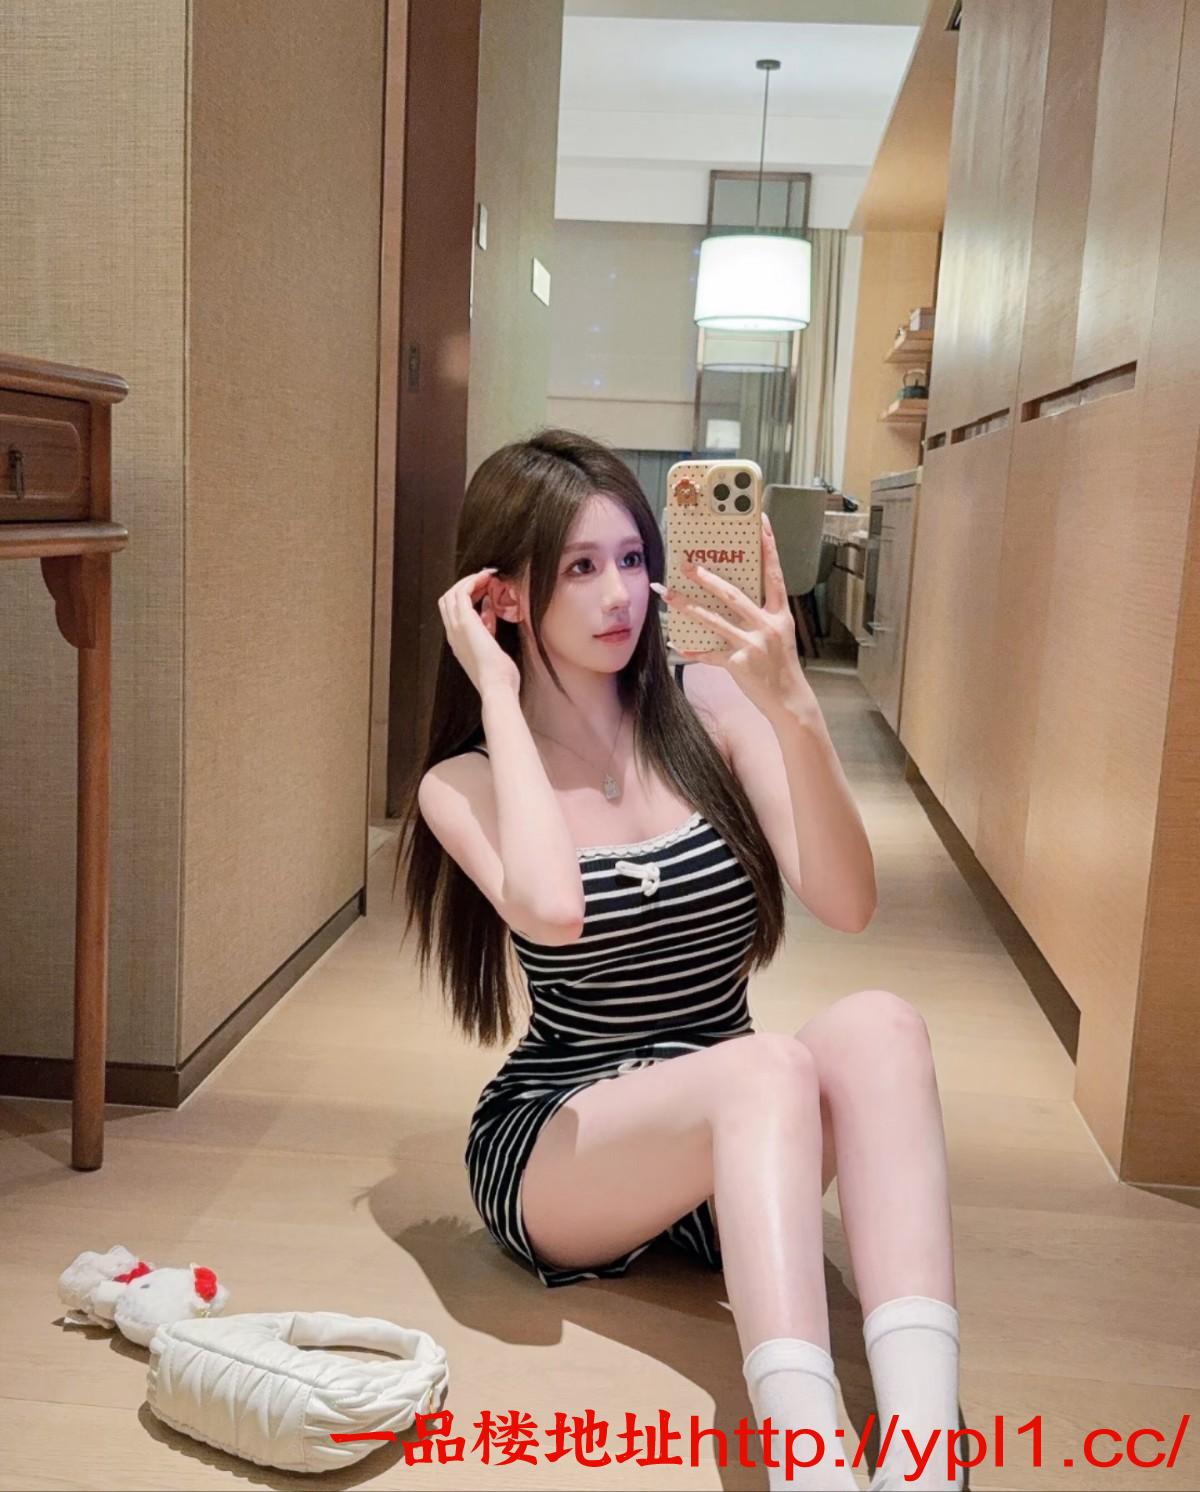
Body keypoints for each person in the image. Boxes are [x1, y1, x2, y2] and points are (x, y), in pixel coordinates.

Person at [394, 429, 963, 1491]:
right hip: (566, 1140)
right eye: (579, 566)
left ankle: (928, 1457)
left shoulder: (708, 713)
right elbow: (552, 912)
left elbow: (848, 902)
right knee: (764, 1067)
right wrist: (499, 697)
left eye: (630, 557)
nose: (619, 593)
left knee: (881, 1024)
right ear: (501, 596)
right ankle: (809, 1463)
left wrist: (793, 704)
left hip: (740, 1126)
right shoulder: (463, 781)